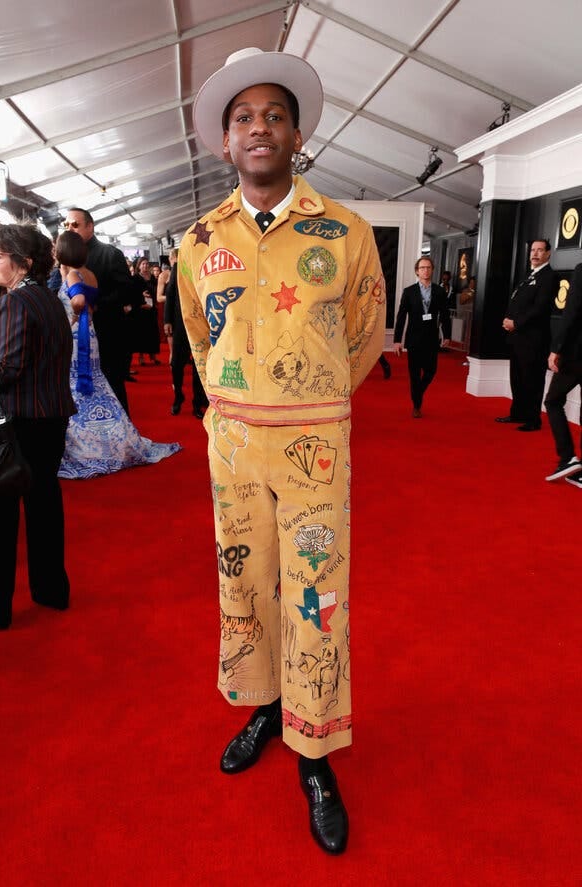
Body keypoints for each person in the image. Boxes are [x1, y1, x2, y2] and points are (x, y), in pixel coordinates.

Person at [177, 46, 386, 855]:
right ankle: (266, 706)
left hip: (313, 453)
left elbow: (365, 335)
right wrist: (238, 405)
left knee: (316, 595)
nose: (258, 127)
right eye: (242, 118)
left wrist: (310, 400)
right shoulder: (198, 241)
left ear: (297, 134)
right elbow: (200, 339)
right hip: (232, 450)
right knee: (245, 587)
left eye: (272, 114)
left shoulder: (346, 231)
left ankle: (315, 749)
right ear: (224, 143)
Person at [0, 222, 76, 629]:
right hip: (50, 416)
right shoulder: (48, 299)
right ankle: (51, 591)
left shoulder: (15, 302)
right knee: (44, 505)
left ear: (23, 261)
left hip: (22, 420)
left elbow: (8, 369)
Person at [54, 230, 181, 479]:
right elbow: (90, 301)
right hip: (90, 334)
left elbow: (78, 301)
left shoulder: (71, 274)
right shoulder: (88, 273)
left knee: (77, 384)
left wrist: (73, 315)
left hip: (76, 335)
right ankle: (109, 435)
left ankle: (87, 444)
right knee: (95, 383)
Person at [63, 209, 132, 415]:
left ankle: (121, 438)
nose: (69, 229)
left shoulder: (110, 253)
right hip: (76, 339)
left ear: (90, 226)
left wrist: (96, 304)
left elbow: (127, 290)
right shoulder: (65, 260)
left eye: (75, 224)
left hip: (108, 334)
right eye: (66, 225)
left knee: (113, 385)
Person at [495, 239, 558, 431]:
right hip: (517, 337)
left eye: (540, 250)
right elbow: (518, 302)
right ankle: (518, 413)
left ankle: (533, 420)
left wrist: (516, 322)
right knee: (517, 378)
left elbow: (540, 308)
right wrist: (508, 321)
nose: (535, 254)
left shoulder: (549, 277)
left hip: (534, 339)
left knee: (532, 379)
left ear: (548, 253)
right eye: (533, 250)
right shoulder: (528, 275)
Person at [393, 256, 450, 417]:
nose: (425, 270)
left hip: (432, 338)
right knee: (414, 373)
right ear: (417, 271)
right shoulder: (409, 292)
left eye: (428, 268)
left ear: (432, 270)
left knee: (431, 371)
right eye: (422, 268)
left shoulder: (439, 291)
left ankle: (418, 392)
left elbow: (445, 315)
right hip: (414, 339)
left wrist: (447, 335)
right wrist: (397, 340)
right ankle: (416, 405)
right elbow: (401, 316)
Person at [543, 262, 582, 484]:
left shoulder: (581, 270)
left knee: (553, 401)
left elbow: (572, 312)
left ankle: (568, 458)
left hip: (577, 354)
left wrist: (556, 348)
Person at [164, 257, 208, 418]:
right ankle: (178, 397)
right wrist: (167, 320)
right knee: (176, 364)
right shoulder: (178, 266)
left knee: (199, 365)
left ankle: (198, 402)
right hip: (181, 324)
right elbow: (170, 294)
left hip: (202, 324)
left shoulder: (205, 261)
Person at [131, 256, 161, 366]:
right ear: (139, 266)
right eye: (143, 264)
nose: (145, 266)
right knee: (142, 333)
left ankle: (153, 356)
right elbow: (132, 293)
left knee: (152, 333)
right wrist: (141, 296)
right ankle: (141, 357)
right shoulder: (135, 278)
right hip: (141, 309)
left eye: (147, 264)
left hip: (151, 309)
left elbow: (157, 290)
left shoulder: (152, 277)